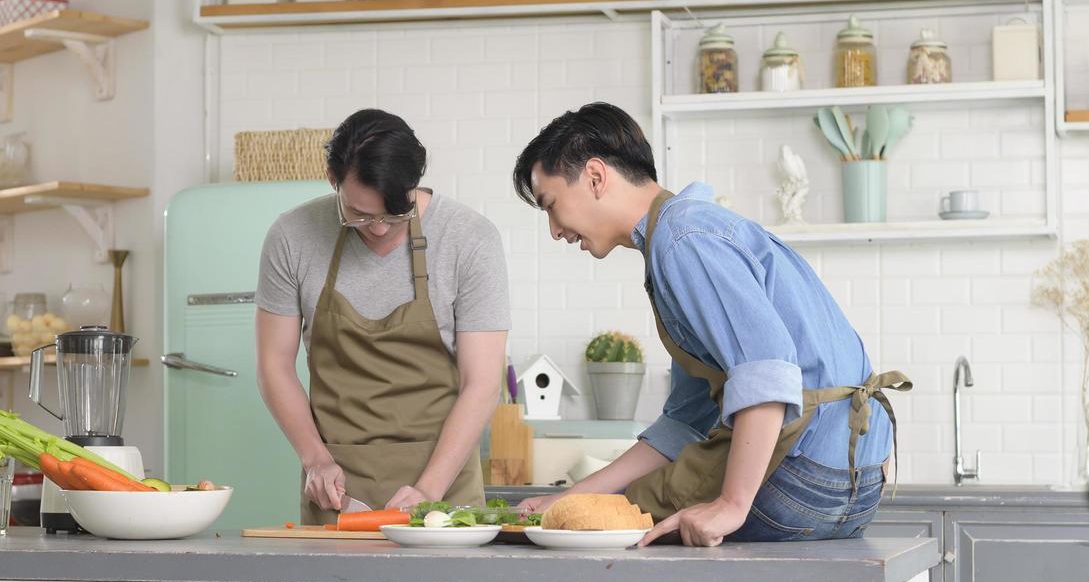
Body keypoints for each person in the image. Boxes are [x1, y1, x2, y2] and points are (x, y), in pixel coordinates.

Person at [512, 102, 910, 547]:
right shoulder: (692, 231)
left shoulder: (683, 240)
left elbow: (765, 372)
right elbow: (687, 420)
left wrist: (732, 506)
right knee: (591, 509)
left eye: (550, 205)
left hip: (798, 483)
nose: (554, 230)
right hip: (856, 490)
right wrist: (577, 494)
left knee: (593, 528)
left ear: (596, 177)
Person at [255, 109, 511, 523]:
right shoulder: (292, 237)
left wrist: (428, 489)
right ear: (332, 180)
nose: (377, 229)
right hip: (338, 491)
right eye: (359, 213)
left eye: (395, 213)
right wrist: (316, 460)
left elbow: (482, 384)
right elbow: (274, 365)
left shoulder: (470, 239)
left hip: (443, 488)